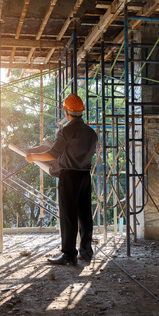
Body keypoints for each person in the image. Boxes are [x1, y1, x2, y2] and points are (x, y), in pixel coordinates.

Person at [26, 93, 98, 265]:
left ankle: (68, 254)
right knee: (85, 215)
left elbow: (53, 153)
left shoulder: (66, 131)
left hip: (69, 176)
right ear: (81, 111)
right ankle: (86, 252)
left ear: (67, 112)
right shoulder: (91, 133)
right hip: (84, 176)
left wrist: (33, 157)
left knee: (68, 215)